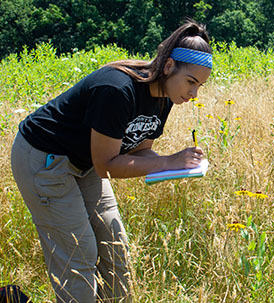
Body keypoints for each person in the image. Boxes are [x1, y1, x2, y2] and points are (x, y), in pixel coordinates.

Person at [10, 19, 212, 303]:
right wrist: (167, 161)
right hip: (45, 158)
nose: (194, 94)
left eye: (200, 86)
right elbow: (107, 166)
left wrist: (178, 164)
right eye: (191, 82)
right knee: (79, 254)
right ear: (168, 67)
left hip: (86, 163)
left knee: (115, 249)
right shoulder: (118, 90)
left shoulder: (164, 98)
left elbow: (138, 152)